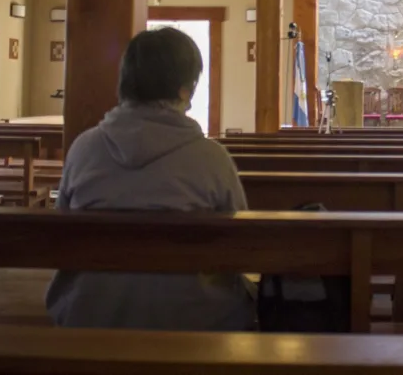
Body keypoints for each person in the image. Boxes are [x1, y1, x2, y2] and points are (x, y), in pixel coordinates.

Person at [45, 27, 254, 331]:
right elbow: (240, 243)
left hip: (90, 314)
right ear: (185, 90)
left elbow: (61, 235)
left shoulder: (84, 148)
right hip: (194, 319)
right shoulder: (211, 158)